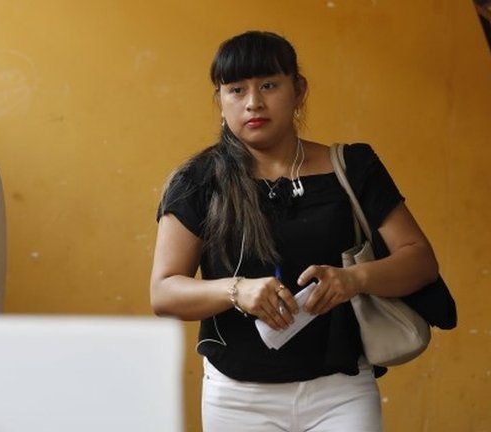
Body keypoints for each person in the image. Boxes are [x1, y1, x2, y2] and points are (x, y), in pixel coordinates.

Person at [150, 31, 439, 432]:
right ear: (220, 100)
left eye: (269, 85)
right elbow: (164, 293)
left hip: (342, 390)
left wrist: (354, 279)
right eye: (236, 90)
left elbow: (420, 260)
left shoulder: (352, 166)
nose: (253, 102)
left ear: (298, 89)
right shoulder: (198, 181)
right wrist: (237, 290)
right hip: (237, 397)